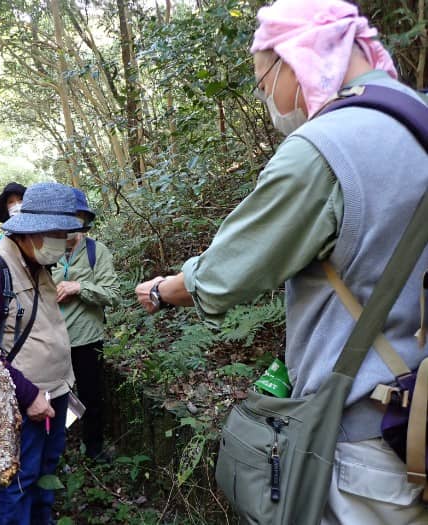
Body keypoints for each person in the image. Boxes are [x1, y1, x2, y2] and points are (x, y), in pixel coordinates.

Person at [135, 0, 428, 522]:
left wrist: (163, 290)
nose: (266, 94)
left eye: (262, 77)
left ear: (294, 60)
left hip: (365, 447)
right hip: (419, 423)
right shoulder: (418, 119)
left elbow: (227, 274)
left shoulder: (325, 147)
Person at [0, 182, 82, 525]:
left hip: (56, 391)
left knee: (45, 472)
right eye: (56, 233)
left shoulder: (38, 264)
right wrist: (28, 395)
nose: (63, 240)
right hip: (21, 402)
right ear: (32, 233)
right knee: (17, 480)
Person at [51, 188, 119, 461]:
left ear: (83, 220)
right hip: (53, 338)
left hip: (87, 339)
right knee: (54, 396)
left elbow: (112, 294)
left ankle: (94, 448)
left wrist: (79, 286)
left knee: (91, 396)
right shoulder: (47, 253)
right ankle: (57, 448)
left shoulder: (96, 252)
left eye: (75, 218)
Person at [0, 182, 26, 247]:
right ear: (6, 208)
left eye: (21, 199)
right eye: (11, 202)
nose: (17, 205)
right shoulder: (4, 238)